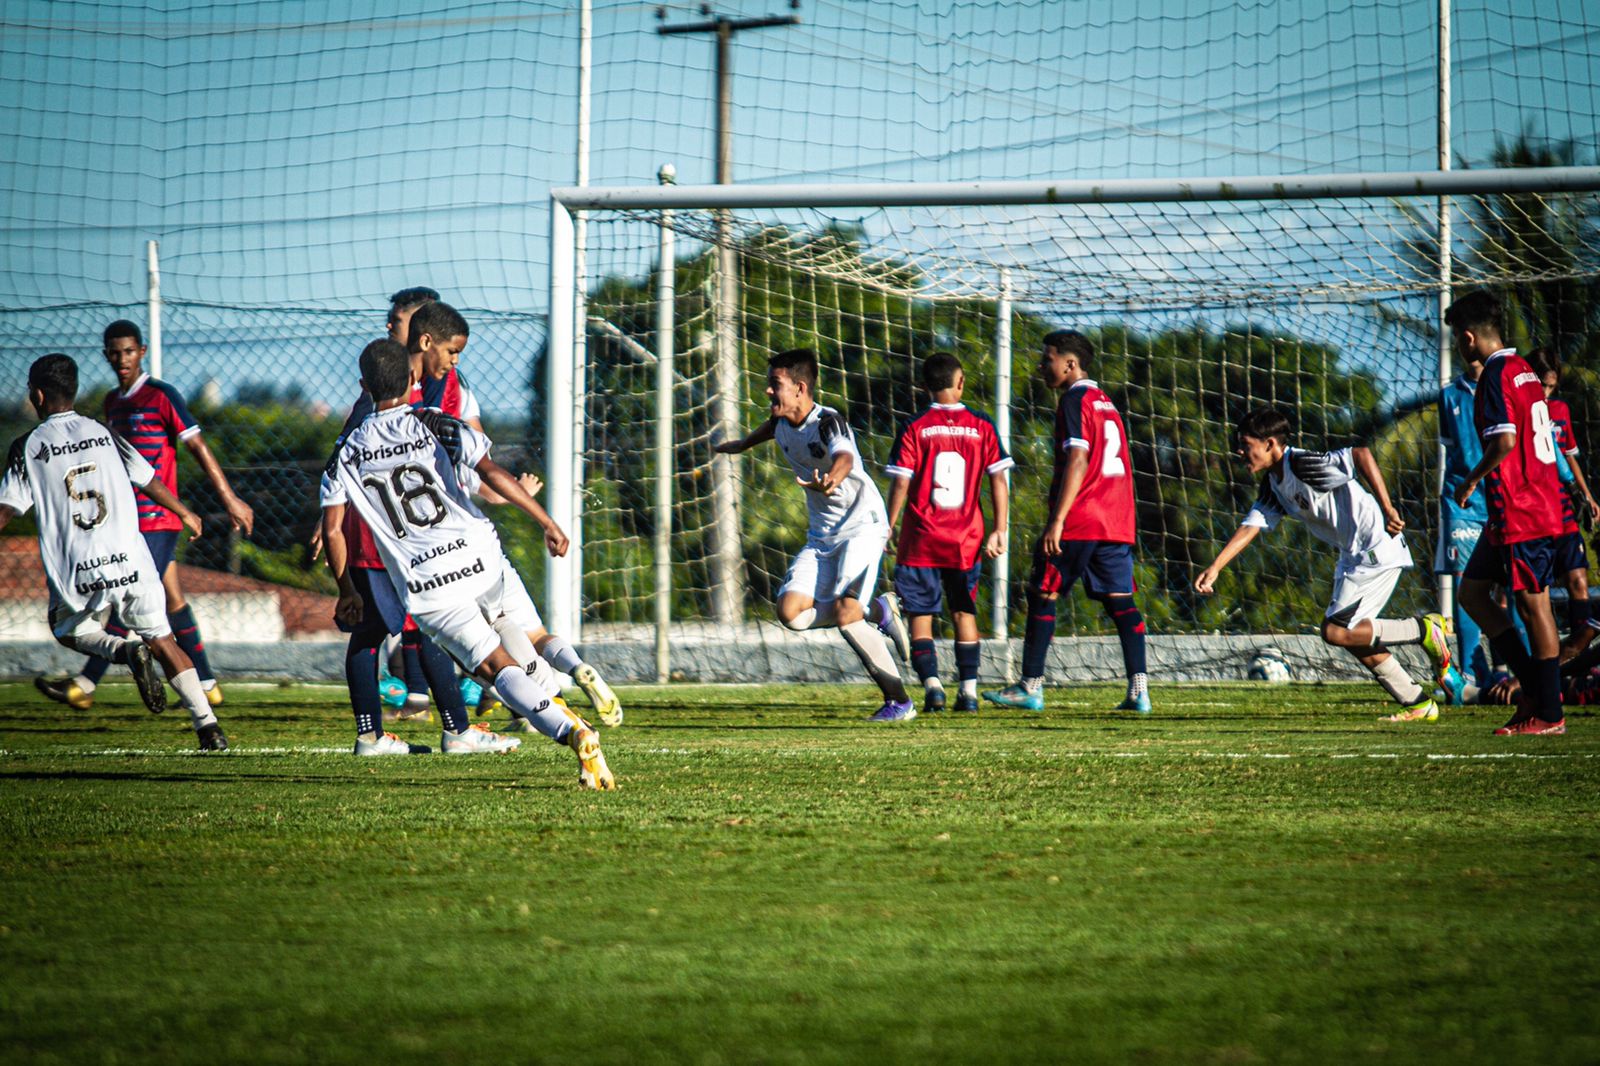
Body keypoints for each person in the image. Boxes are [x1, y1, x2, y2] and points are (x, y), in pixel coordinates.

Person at [320, 339, 615, 786]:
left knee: (496, 667)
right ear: (414, 378)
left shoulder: (343, 454)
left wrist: (347, 590)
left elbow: (332, 530)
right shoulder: (437, 424)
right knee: (530, 634)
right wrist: (546, 521)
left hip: (430, 584)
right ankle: (563, 687)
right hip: (482, 558)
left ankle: (573, 731)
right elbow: (491, 472)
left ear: (363, 386)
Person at [2, 355, 228, 750]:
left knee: (68, 629)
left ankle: (123, 650)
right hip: (131, 560)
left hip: (79, 569)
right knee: (164, 639)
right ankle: (208, 727)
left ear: (37, 395)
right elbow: (149, 479)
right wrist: (185, 512)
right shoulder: (104, 432)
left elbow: (6, 510)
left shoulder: (28, 447)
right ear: (72, 390)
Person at [34, 319, 253, 712]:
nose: (122, 360)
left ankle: (85, 683)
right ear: (106, 356)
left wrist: (229, 498)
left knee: (126, 594)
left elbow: (197, 447)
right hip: (125, 521)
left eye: (129, 352)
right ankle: (206, 682)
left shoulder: (161, 395)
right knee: (171, 600)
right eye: (115, 353)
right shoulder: (112, 404)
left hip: (158, 517)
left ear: (142, 353)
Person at [1194, 407, 1452, 721]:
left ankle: (1422, 628)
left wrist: (1387, 508)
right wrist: (1216, 567)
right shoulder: (1274, 484)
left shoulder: (1302, 465)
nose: (1240, 451)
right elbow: (1251, 526)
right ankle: (1417, 702)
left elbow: (1361, 455)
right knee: (1353, 638)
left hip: (1375, 549)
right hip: (1352, 557)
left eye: (1246, 445)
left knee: (1334, 631)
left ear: (1271, 444)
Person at [714, 348, 915, 721]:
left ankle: (899, 701)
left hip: (863, 527)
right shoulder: (781, 424)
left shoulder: (830, 422)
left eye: (775, 385)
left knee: (845, 613)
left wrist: (832, 481)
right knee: (790, 613)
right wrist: (742, 445)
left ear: (800, 388)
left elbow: (845, 458)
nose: (768, 392)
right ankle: (879, 609)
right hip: (822, 537)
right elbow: (770, 429)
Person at [985, 331, 1149, 713]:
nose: (1042, 366)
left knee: (1043, 591)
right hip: (1117, 517)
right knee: (1120, 601)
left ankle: (1030, 686)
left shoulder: (1074, 399)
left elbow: (1079, 458)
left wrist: (1057, 519)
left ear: (1070, 364)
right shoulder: (1106, 402)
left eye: (1048, 359)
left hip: (1082, 515)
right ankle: (1139, 691)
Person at [1449, 290, 1568, 735]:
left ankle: (1549, 712)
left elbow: (1505, 443)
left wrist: (1472, 478)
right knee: (1473, 595)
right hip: (1518, 509)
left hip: (1523, 508)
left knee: (1534, 605)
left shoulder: (1497, 375)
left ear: (1467, 338)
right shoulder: (1525, 371)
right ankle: (1536, 692)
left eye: (1457, 341)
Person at [884, 351, 1012, 713]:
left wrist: (889, 526)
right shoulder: (982, 425)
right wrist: (999, 529)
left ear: (924, 386)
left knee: (920, 615)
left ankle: (934, 687)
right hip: (965, 539)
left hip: (922, 537)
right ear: (961, 382)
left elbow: (901, 484)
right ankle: (968, 692)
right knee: (963, 612)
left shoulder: (915, 426)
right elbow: (999, 480)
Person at [1528, 347, 1600, 659]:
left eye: (1551, 386)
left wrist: (1586, 495)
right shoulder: (1520, 411)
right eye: (1541, 384)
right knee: (1533, 590)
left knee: (1578, 581)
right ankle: (1544, 661)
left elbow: (1568, 456)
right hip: (1533, 510)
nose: (1546, 392)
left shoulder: (1559, 411)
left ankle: (1578, 654)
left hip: (1564, 507)